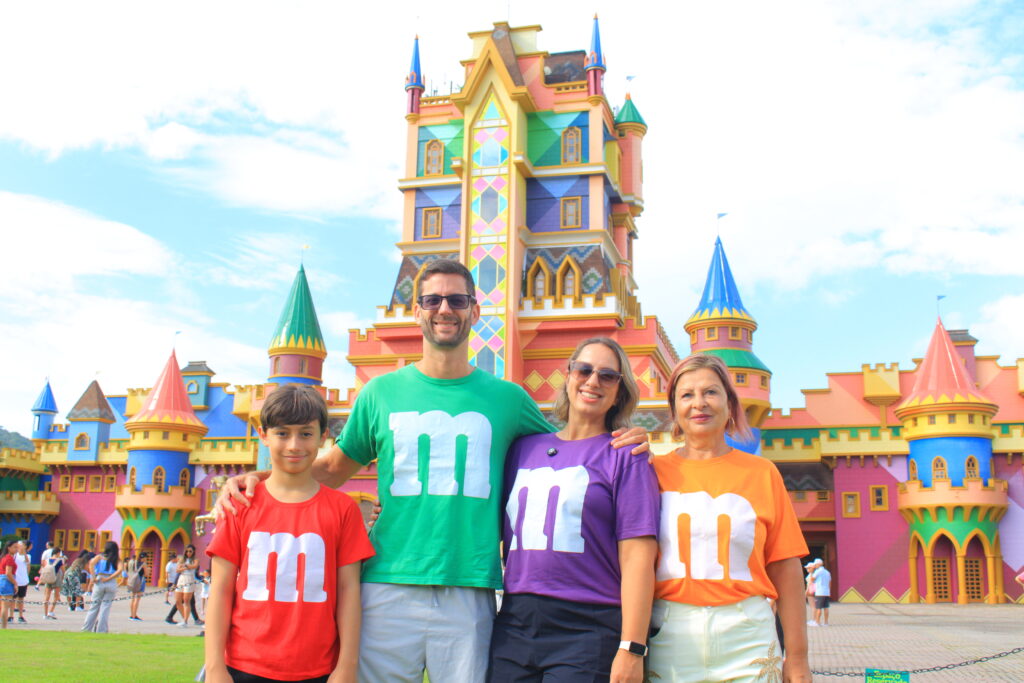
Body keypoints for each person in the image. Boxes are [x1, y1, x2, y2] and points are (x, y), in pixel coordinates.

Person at [215, 260, 649, 682]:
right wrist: (257, 480)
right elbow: (331, 468)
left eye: (457, 300)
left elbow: (568, 447)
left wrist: (627, 437)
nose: (445, 309)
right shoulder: (379, 393)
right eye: (433, 300)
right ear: (417, 310)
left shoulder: (509, 400)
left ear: (474, 311)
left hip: (468, 587)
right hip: (386, 582)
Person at [489, 337, 660, 682]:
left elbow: (638, 558)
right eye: (584, 370)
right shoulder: (521, 449)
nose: (593, 381)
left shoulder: (626, 456)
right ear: (568, 376)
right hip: (515, 622)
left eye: (607, 376)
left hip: (588, 627)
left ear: (619, 391)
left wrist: (632, 647)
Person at [647, 353, 811, 683]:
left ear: (730, 403)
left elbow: (785, 568)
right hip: (671, 634)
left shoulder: (762, 473)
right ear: (674, 409)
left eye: (711, 392)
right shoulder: (651, 472)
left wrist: (797, 658)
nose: (699, 403)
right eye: (687, 395)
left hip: (748, 635)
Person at [205, 383, 374, 683]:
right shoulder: (239, 505)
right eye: (282, 433)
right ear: (263, 435)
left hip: (318, 669)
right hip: (245, 666)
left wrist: (346, 666)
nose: (294, 445)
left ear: (323, 436)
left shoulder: (343, 509)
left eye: (306, 434)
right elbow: (220, 589)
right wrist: (215, 667)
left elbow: (348, 591)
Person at [81, 541, 121, 633]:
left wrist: (93, 576)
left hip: (100, 579)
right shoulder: (117, 559)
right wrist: (109, 578)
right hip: (111, 582)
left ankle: (86, 628)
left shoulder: (100, 557)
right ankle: (101, 629)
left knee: (94, 606)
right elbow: (120, 570)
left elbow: (91, 564)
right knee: (105, 607)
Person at [173, 544, 200, 627]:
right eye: (187, 551)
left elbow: (194, 566)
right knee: (178, 601)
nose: (188, 553)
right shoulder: (182, 560)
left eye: (190, 551)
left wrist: (185, 566)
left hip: (189, 578)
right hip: (181, 578)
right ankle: (184, 617)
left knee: (186, 600)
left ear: (193, 552)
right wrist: (185, 567)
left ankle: (185, 620)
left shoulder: (195, 559)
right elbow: (177, 570)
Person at [40, 546, 65, 619]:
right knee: (56, 596)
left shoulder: (48, 560)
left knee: (47, 596)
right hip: (57, 578)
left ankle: (45, 614)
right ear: (58, 553)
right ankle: (51, 611)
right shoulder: (60, 560)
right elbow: (63, 570)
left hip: (48, 578)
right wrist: (63, 578)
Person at [124, 551, 146, 621]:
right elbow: (146, 574)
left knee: (132, 599)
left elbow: (127, 570)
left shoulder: (132, 562)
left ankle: (131, 614)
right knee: (137, 599)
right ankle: (134, 615)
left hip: (132, 581)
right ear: (144, 558)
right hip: (140, 581)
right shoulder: (143, 564)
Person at [0, 539, 17, 629]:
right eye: (14, 547)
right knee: (5, 606)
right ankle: (4, 627)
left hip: (2, 579)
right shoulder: (9, 558)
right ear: (8, 548)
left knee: (3, 605)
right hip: (7, 581)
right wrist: (15, 583)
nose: (16, 549)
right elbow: (8, 573)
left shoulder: (4, 557)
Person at [12, 540, 30, 623]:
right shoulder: (15, 555)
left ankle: (20, 616)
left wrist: (27, 578)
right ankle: (11, 616)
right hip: (15, 580)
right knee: (13, 599)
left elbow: (28, 565)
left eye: (22, 545)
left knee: (21, 598)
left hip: (23, 580)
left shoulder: (27, 556)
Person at [811, 558, 832, 627]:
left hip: (819, 592)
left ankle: (817, 622)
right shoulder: (827, 572)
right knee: (826, 607)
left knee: (818, 607)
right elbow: (830, 582)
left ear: (818, 564)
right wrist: (829, 591)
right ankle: (826, 622)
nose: (815, 566)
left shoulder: (818, 571)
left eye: (815, 565)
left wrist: (812, 572)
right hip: (826, 592)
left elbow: (812, 579)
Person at [804, 561, 816, 625]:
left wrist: (806, 592)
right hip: (811, 591)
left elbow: (810, 584)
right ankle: (814, 619)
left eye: (808, 568)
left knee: (813, 606)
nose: (807, 569)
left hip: (810, 591)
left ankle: (814, 620)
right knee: (813, 606)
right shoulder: (813, 574)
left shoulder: (812, 575)